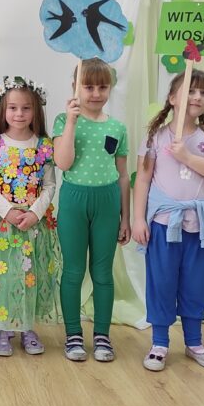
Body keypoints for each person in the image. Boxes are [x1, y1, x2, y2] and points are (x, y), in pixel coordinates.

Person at [131, 69, 204, 372]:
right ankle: (159, 342)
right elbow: (143, 179)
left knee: (195, 282)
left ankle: (194, 342)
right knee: (161, 281)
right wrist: (138, 219)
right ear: (173, 98)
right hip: (163, 223)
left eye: (203, 92)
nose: (197, 97)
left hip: (199, 226)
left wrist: (187, 156)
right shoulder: (156, 136)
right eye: (190, 91)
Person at [0, 76, 61, 356]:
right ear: (3, 110)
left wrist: (34, 213)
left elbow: (50, 185)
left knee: (30, 274)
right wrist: (8, 212)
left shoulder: (43, 145)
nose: (19, 114)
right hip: (2, 226)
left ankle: (27, 326)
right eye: (13, 108)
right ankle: (2, 327)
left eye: (26, 108)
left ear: (36, 110)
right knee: (3, 275)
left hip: (34, 226)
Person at [53, 59, 130, 362]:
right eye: (88, 86)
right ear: (76, 87)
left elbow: (123, 176)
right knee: (73, 270)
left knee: (102, 272)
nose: (96, 93)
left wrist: (126, 217)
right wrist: (72, 123)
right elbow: (63, 163)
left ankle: (102, 336)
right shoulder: (63, 120)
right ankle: (73, 334)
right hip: (74, 200)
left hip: (107, 202)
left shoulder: (117, 127)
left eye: (102, 87)